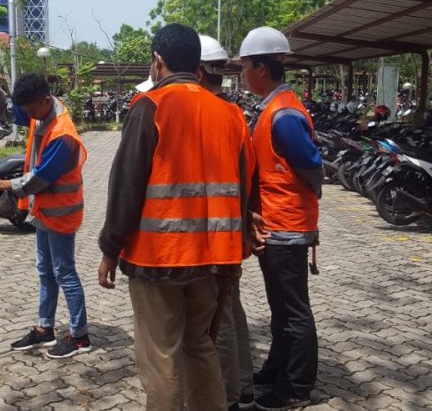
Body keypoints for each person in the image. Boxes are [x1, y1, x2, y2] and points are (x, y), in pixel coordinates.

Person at [98, 23, 255, 411]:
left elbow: (126, 187)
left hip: (158, 259)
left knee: (162, 357)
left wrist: (109, 249)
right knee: (200, 345)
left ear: (158, 61)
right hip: (214, 259)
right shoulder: (230, 114)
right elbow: (243, 190)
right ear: (198, 66)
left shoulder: (150, 107)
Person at [0, 58, 92, 359]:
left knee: (64, 272)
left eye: (31, 110)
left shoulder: (63, 133)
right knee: (45, 270)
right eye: (26, 111)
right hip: (44, 212)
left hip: (61, 213)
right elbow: (3, 109)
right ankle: (45, 329)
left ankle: (80, 335)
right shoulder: (40, 114)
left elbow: (41, 177)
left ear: (46, 99)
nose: (27, 116)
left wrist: (4, 185)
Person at [238, 26, 322, 410]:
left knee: (293, 311)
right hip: (275, 225)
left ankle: (297, 386)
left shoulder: (284, 113)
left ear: (260, 67)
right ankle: (277, 368)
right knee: (281, 309)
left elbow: (310, 165)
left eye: (243, 66)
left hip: (286, 226)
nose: (240, 74)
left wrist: (305, 198)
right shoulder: (273, 105)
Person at [198, 34, 255, 411]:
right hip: (231, 231)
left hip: (210, 237)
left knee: (216, 322)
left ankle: (231, 396)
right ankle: (245, 386)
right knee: (232, 310)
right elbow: (248, 175)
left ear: (198, 71)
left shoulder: (204, 113)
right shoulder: (235, 113)